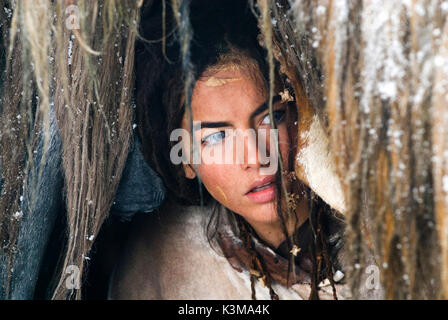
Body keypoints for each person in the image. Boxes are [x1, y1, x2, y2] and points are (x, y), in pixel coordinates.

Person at [109, 0, 349, 300]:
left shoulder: (381, 224)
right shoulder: (164, 265)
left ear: (302, 110)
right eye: (217, 136)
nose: (257, 157)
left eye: (272, 118)